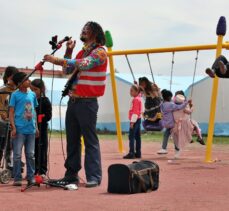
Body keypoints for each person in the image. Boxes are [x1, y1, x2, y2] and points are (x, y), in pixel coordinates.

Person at [43, 21, 107, 188]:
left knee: (89, 139)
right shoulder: (81, 52)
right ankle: (71, 175)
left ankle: (94, 176)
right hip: (74, 101)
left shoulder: (100, 52)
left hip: (87, 102)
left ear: (95, 33)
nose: (83, 31)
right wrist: (69, 51)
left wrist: (55, 60)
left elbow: (84, 64)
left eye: (87, 29)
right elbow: (66, 71)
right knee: (72, 140)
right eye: (83, 29)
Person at [9, 72, 39, 186]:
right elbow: (11, 112)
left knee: (30, 154)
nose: (29, 81)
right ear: (19, 83)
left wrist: (36, 127)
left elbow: (34, 111)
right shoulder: (15, 95)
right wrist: (13, 127)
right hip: (19, 129)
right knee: (17, 155)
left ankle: (31, 177)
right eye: (26, 79)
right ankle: (17, 178)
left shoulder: (32, 94)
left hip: (30, 130)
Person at [157, 89, 190, 158]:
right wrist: (186, 102)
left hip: (167, 123)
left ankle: (165, 148)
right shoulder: (170, 105)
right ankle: (176, 150)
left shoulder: (162, 104)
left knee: (167, 135)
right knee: (174, 137)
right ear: (169, 97)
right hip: (172, 123)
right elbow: (179, 107)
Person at [30, 79, 52, 178]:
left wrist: (41, 117)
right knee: (32, 151)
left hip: (42, 129)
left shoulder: (45, 100)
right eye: (32, 90)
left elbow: (49, 116)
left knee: (42, 150)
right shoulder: (29, 100)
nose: (34, 92)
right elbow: (28, 112)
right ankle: (33, 171)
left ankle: (42, 171)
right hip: (31, 129)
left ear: (41, 89)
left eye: (35, 89)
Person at [0, 66, 19, 169]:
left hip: (15, 123)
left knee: (12, 146)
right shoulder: (2, 90)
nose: (13, 80)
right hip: (3, 122)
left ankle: (9, 165)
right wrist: (2, 114)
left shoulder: (19, 92)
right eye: (11, 77)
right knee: (1, 144)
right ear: (7, 77)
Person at [123, 84, 142, 159]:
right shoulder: (139, 98)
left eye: (132, 91)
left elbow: (135, 112)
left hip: (135, 120)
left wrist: (132, 122)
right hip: (138, 119)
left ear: (137, 91)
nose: (130, 92)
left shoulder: (136, 100)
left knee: (131, 136)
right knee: (137, 137)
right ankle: (138, 153)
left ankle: (131, 153)